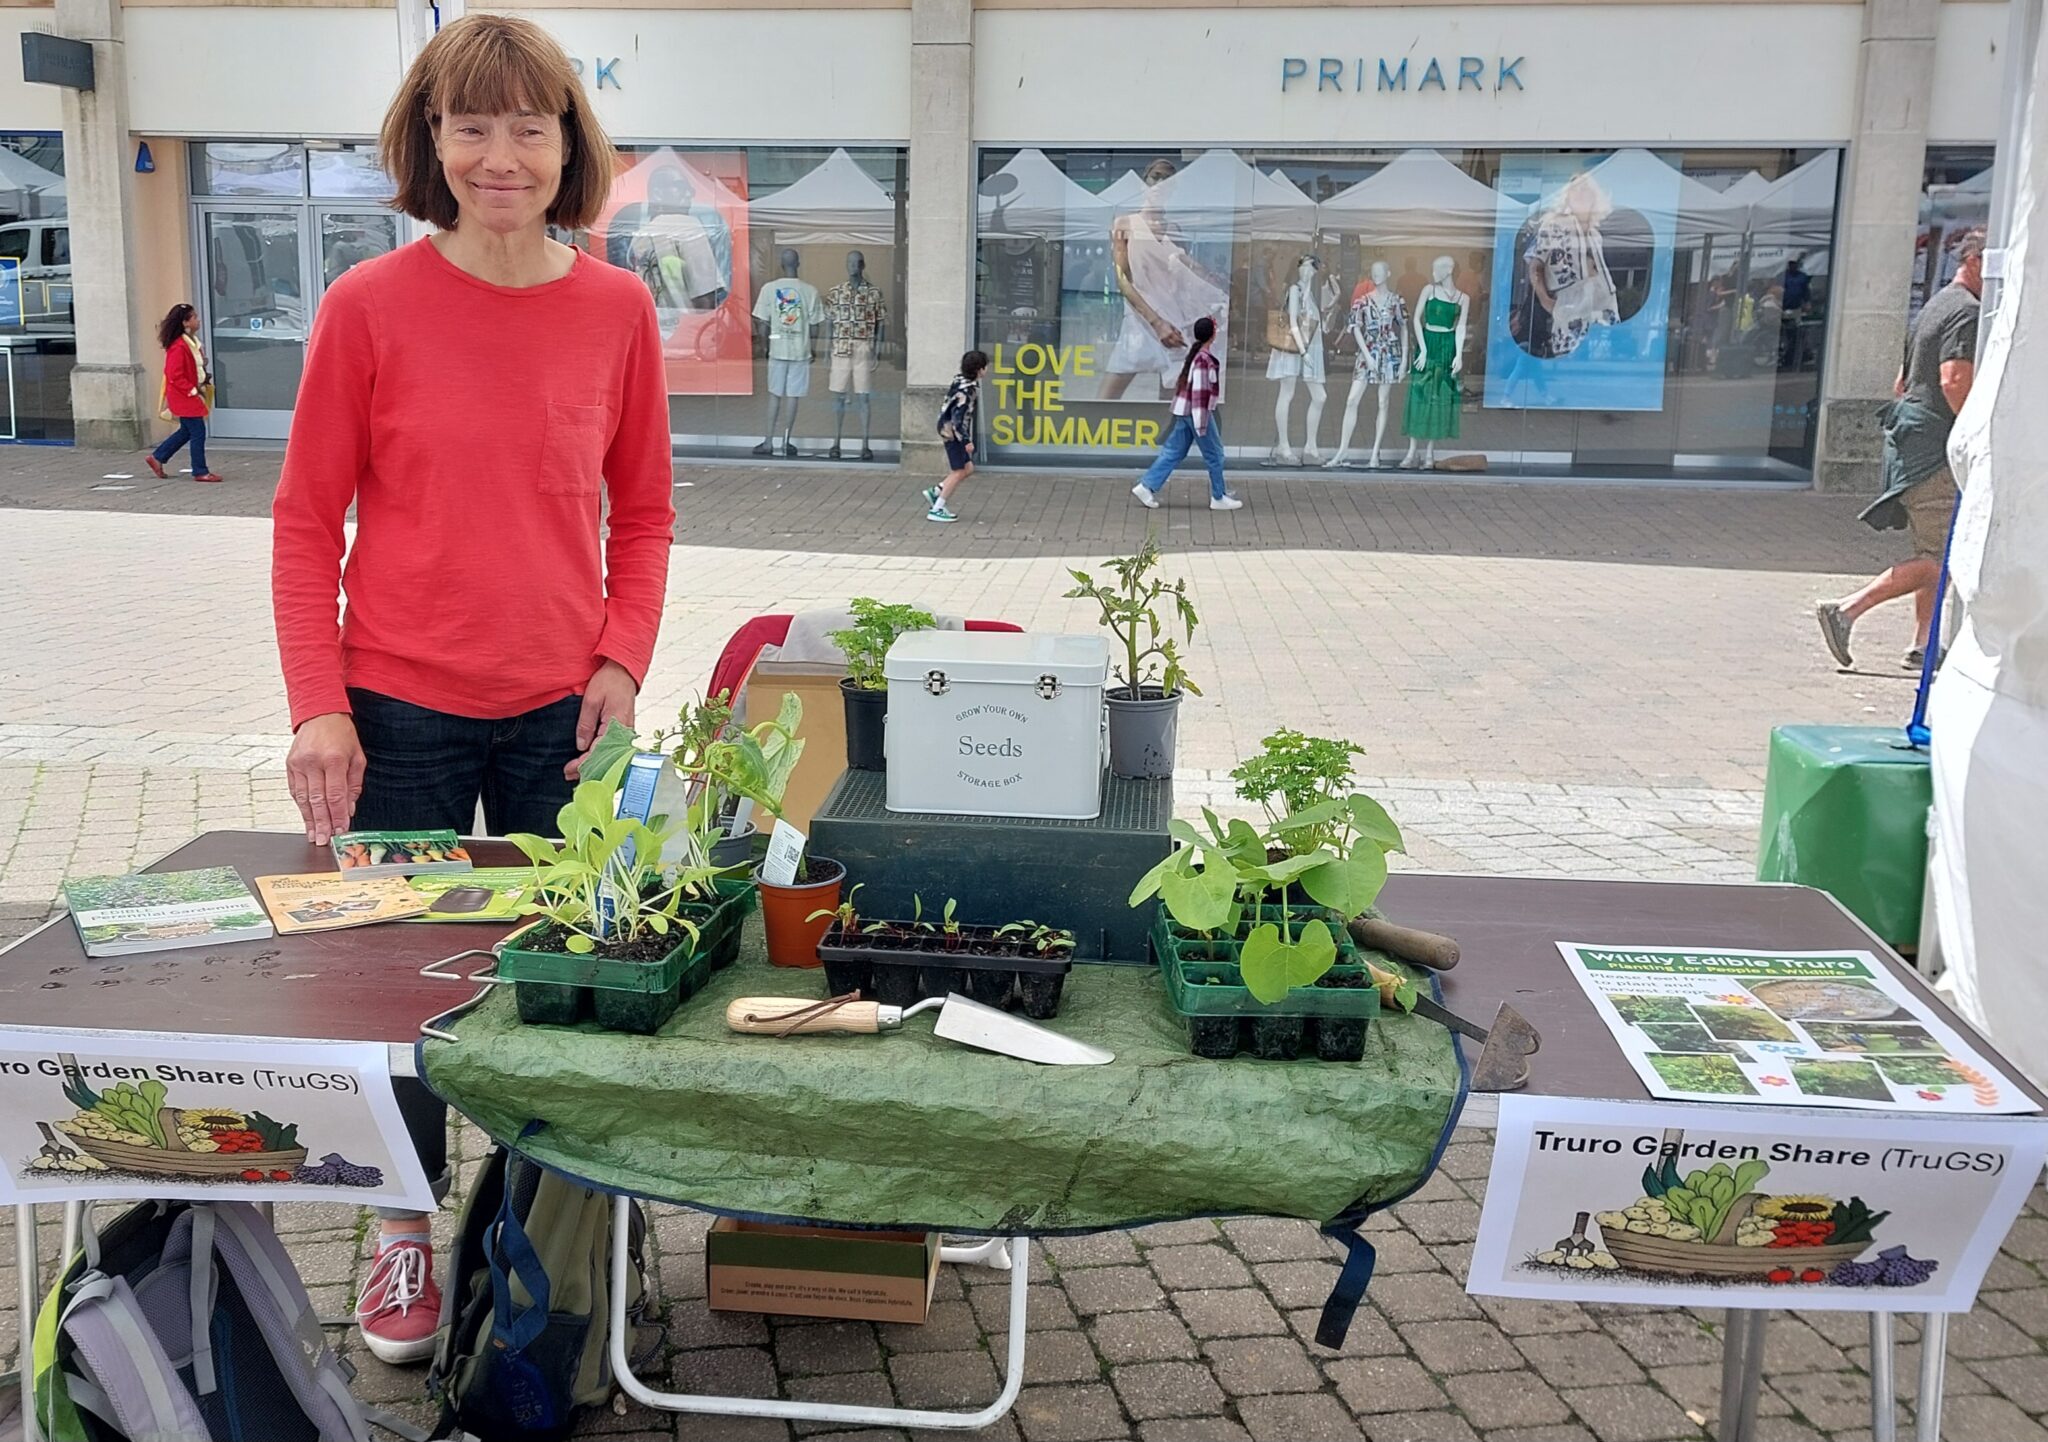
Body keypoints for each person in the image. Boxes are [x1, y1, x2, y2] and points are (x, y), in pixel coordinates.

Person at [269, 13, 674, 1366]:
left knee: (559, 975)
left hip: (564, 718)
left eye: (528, 126)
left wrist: (621, 660)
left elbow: (650, 511)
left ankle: (550, 1212)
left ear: (569, 143)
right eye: (471, 126)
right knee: (398, 988)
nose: (501, 155)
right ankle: (398, 1222)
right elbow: (301, 519)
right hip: (400, 711)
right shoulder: (367, 308)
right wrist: (317, 701)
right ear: (429, 143)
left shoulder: (617, 309)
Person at [1816, 230, 1983, 671]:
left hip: (1911, 442)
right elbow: (1954, 380)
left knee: (1933, 547)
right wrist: (1976, 434)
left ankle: (1924, 643)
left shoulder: (1937, 304)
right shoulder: (1967, 312)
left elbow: (1901, 380)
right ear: (1979, 262)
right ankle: (1846, 609)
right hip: (1933, 450)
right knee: (1945, 556)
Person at [1131, 316, 1241, 511]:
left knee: (1174, 451)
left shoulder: (1197, 357)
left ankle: (1146, 486)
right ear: (1213, 335)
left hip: (1186, 411)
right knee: (1215, 454)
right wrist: (1202, 423)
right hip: (1197, 414)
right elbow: (1199, 394)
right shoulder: (1203, 360)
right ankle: (1218, 496)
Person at [1524, 172, 1619, 359]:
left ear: (1595, 197)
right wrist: (1545, 300)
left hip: (1602, 304)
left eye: (1586, 189)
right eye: (1575, 190)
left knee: (1600, 363)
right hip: (1570, 303)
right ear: (1567, 197)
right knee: (1570, 361)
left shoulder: (1595, 235)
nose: (1581, 193)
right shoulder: (1553, 226)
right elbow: (1535, 264)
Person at [144, 303, 221, 483]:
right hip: (185, 395)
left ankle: (158, 457)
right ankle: (200, 471)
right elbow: (174, 374)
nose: (198, 320)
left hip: (188, 393)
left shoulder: (190, 343)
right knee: (198, 432)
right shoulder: (179, 346)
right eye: (194, 317)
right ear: (186, 322)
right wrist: (192, 390)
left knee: (187, 431)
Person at [923, 349, 986, 523]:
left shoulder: (960, 379)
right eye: (985, 367)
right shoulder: (969, 390)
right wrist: (966, 441)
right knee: (958, 472)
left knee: (968, 468)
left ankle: (936, 491)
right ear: (979, 369)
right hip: (953, 433)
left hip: (946, 428)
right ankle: (937, 508)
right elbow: (958, 420)